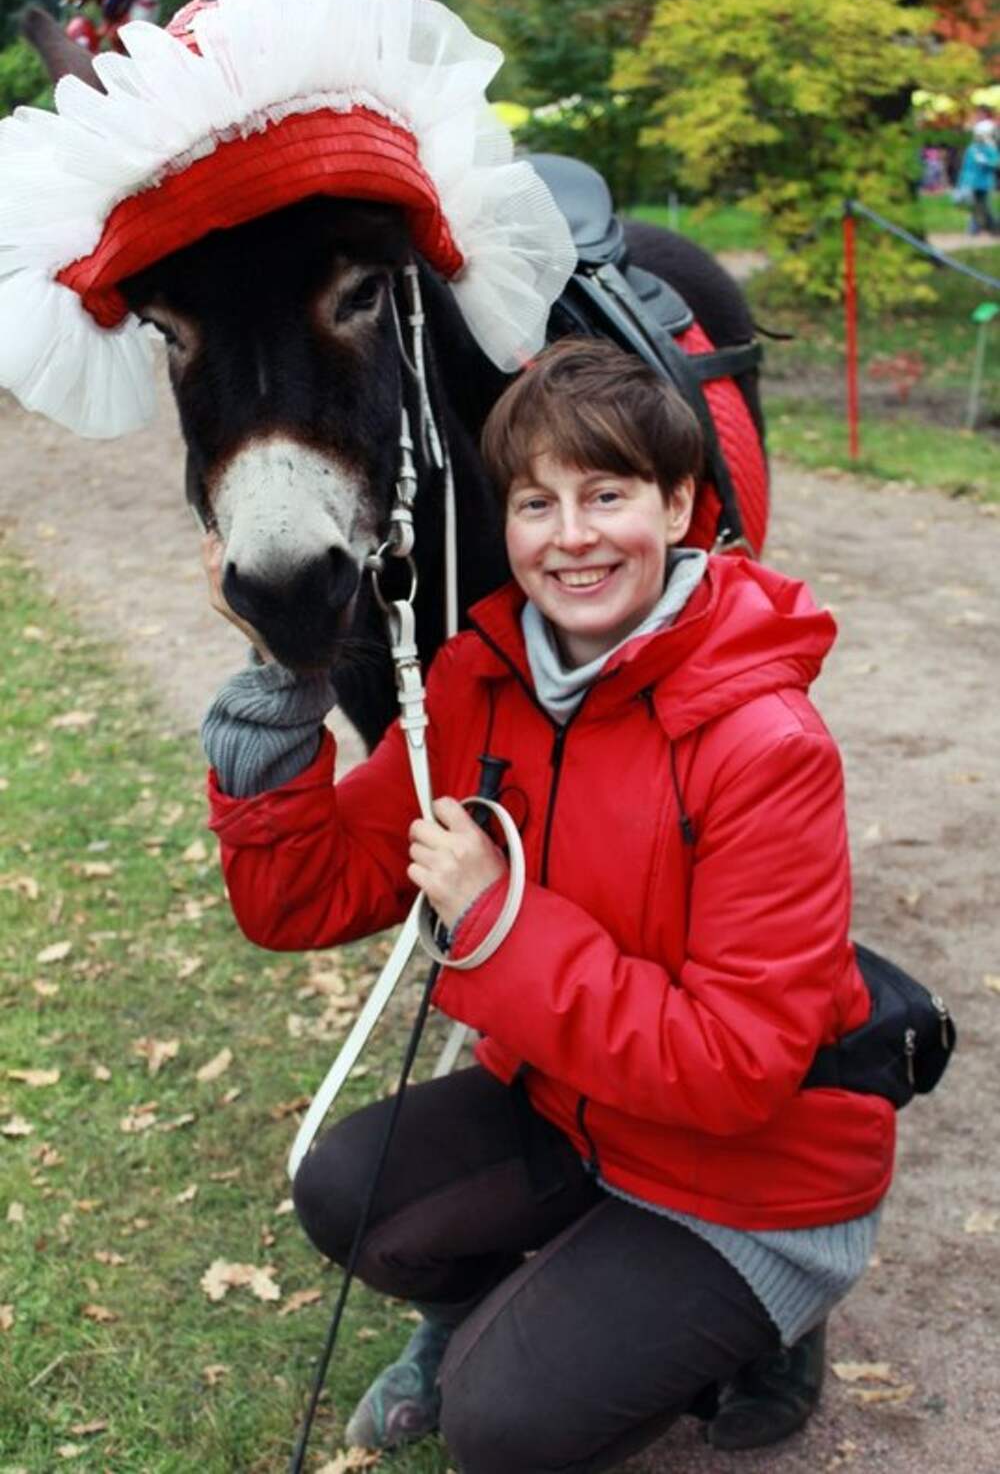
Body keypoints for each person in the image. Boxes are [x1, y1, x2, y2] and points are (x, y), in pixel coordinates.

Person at [201, 338, 892, 1472]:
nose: (571, 536)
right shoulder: (482, 683)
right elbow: (300, 898)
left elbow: (739, 1067)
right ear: (507, 522)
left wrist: (496, 923)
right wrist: (286, 674)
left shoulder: (767, 744)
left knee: (501, 1424)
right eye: (537, 502)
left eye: (607, 494)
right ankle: (524, 1305)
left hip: (749, 1179)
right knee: (346, 1190)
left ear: (679, 506)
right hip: (575, 1111)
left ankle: (776, 1316)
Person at [956, 116, 999, 236]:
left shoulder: (990, 148)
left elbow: (996, 162)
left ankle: (984, 227)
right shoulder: (973, 148)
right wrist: (962, 181)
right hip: (972, 182)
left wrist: (986, 162)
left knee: (982, 205)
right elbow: (966, 167)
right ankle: (981, 227)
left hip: (983, 182)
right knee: (977, 205)